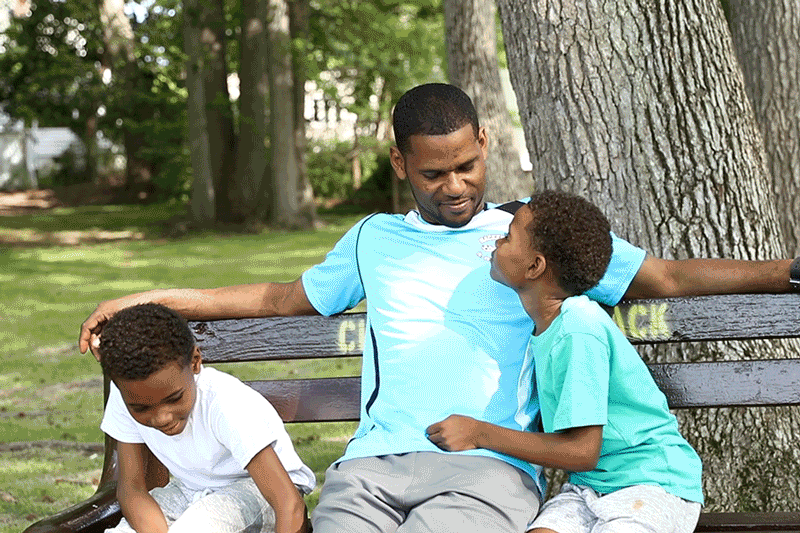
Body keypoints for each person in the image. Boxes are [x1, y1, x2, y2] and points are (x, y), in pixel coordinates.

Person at [80, 84, 796, 533]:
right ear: (400, 165)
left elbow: (662, 277)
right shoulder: (373, 238)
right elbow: (278, 298)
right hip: (370, 465)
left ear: (484, 144)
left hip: (487, 467)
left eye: (466, 166)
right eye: (433, 172)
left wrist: (786, 272)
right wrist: (146, 299)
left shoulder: (533, 235)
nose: (455, 186)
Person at [426, 190, 703, 533]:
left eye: (508, 237)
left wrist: (478, 433)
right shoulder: (548, 325)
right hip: (589, 487)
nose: (497, 242)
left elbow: (583, 451)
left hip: (651, 483)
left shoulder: (577, 329)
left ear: (535, 266)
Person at [98, 303, 315, 533]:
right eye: (141, 408)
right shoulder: (125, 395)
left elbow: (288, 504)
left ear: (194, 362)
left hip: (261, 492)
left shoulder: (225, 404)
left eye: (174, 398)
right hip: (191, 490)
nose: (162, 418)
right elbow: (132, 489)